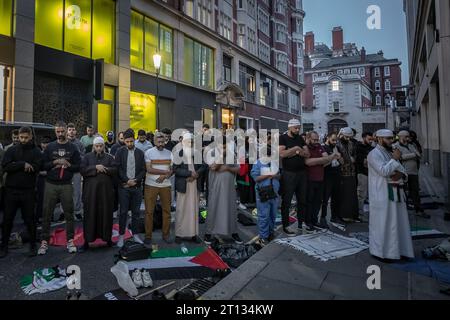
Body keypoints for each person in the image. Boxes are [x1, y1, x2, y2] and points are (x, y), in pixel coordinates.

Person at [367, 129, 414, 261]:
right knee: (384, 223)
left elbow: (402, 171)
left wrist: (401, 174)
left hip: (396, 191)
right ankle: (381, 252)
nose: (391, 141)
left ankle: (399, 250)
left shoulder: (390, 152)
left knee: (398, 222)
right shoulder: (373, 154)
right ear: (380, 139)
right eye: (388, 138)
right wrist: (394, 160)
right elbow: (383, 171)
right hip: (382, 193)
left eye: (392, 138)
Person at [38, 121, 81, 255]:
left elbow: (78, 166)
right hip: (51, 184)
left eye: (63, 131)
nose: (60, 134)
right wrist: (55, 162)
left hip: (66, 184)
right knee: (47, 214)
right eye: (58, 131)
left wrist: (68, 164)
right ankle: (44, 241)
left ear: (66, 131)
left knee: (69, 213)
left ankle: (70, 240)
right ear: (55, 132)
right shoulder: (50, 147)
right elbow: (43, 165)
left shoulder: (73, 147)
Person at [0, 127, 43, 258]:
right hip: (11, 191)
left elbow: (37, 167)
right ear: (18, 137)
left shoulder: (36, 151)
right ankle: (4, 247)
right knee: (7, 220)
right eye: (21, 137)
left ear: (30, 137)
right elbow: (6, 166)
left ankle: (32, 246)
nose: (23, 140)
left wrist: (21, 165)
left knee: (29, 220)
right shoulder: (12, 150)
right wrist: (22, 164)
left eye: (26, 137)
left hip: (28, 191)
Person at [80, 137, 117, 251]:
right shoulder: (87, 157)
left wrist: (104, 168)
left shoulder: (109, 157)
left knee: (106, 215)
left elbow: (115, 169)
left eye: (101, 146)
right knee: (90, 215)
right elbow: (82, 170)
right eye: (97, 146)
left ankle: (108, 239)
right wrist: (95, 167)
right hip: (91, 193)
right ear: (93, 146)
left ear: (104, 146)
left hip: (105, 193)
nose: (99, 148)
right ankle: (87, 241)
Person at [204, 140, 243, 245]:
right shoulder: (211, 153)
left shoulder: (231, 154)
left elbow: (239, 170)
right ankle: (208, 234)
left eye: (226, 147)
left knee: (231, 209)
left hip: (229, 188)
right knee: (214, 208)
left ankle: (233, 232)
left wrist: (228, 168)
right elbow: (213, 167)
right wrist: (221, 155)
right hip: (216, 187)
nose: (225, 149)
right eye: (223, 147)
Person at [173, 133, 207, 244]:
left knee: (193, 210)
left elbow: (203, 166)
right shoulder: (179, 154)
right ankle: (179, 234)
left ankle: (193, 234)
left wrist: (196, 174)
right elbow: (176, 169)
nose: (190, 143)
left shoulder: (196, 153)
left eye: (191, 142)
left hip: (194, 184)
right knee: (181, 209)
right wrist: (189, 173)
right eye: (188, 141)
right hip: (183, 185)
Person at [115, 129, 146, 247]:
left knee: (136, 213)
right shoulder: (119, 152)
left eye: (131, 141)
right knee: (123, 212)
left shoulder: (140, 153)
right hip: (124, 187)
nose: (129, 144)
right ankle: (121, 236)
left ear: (135, 140)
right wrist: (127, 181)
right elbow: (118, 169)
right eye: (127, 141)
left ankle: (136, 235)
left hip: (137, 187)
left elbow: (143, 170)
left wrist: (135, 181)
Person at [279, 119, 310, 236]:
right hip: (289, 173)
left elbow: (307, 154)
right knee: (286, 201)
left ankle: (301, 223)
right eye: (296, 128)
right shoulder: (283, 138)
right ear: (289, 127)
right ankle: (286, 225)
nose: (298, 130)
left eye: (299, 128)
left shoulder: (300, 138)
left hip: (302, 173)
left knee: (302, 200)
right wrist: (297, 149)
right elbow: (282, 154)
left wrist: (293, 151)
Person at [305, 132, 340, 230]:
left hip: (320, 179)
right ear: (308, 138)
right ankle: (308, 222)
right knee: (309, 202)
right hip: (310, 179)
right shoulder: (306, 147)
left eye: (317, 140)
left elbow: (326, 160)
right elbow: (308, 162)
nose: (316, 142)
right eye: (314, 140)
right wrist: (326, 159)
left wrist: (320, 160)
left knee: (317, 202)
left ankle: (314, 220)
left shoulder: (319, 146)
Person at [144, 133, 173, 244]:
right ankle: (148, 236)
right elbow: (149, 169)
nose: (161, 144)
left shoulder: (170, 153)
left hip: (166, 185)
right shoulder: (148, 153)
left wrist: (165, 176)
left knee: (167, 211)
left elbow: (171, 169)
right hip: (151, 185)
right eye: (158, 142)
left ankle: (166, 235)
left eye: (162, 142)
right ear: (154, 141)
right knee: (149, 212)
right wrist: (164, 172)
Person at [394, 131, 430, 219]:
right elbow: (399, 157)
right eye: (406, 136)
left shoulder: (411, 145)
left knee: (415, 192)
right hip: (403, 173)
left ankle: (418, 210)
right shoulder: (395, 146)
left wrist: (412, 155)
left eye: (408, 136)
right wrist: (413, 155)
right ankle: (402, 212)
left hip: (414, 172)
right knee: (402, 192)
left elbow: (419, 155)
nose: (408, 138)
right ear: (401, 137)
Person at [251, 146, 280, 246]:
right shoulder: (257, 163)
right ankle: (263, 236)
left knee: (273, 214)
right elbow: (256, 178)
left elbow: (279, 176)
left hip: (274, 192)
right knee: (263, 215)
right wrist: (268, 174)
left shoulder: (274, 162)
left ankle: (270, 233)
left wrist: (275, 175)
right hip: (263, 192)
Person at [336, 127, 359, 223]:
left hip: (352, 172)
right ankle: (344, 215)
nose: (348, 139)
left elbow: (355, 154)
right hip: (341, 173)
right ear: (341, 135)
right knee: (344, 195)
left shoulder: (351, 143)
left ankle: (352, 215)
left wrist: (353, 158)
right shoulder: (337, 144)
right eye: (346, 137)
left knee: (352, 194)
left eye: (350, 137)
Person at [322, 133, 344, 224]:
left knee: (337, 197)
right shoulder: (323, 147)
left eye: (336, 140)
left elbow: (342, 162)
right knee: (325, 198)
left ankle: (335, 216)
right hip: (327, 175)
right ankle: (323, 218)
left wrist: (339, 157)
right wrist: (332, 156)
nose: (335, 142)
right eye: (333, 140)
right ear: (328, 138)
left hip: (337, 174)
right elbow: (324, 163)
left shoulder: (337, 148)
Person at [67, 123, 85, 221]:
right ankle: (64, 211)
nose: (72, 131)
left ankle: (77, 211)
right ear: (67, 131)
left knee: (77, 192)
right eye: (70, 130)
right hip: (65, 171)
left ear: (76, 131)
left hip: (77, 171)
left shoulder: (80, 143)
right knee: (65, 192)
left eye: (73, 129)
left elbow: (83, 157)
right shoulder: (63, 142)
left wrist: (76, 156)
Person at [355, 132, 374, 220]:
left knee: (372, 195)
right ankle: (359, 214)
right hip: (362, 173)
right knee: (361, 195)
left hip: (372, 174)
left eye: (371, 139)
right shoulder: (358, 147)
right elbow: (364, 162)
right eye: (369, 139)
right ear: (363, 138)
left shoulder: (372, 148)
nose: (370, 141)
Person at [35, 136, 52, 223]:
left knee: (51, 199)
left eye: (46, 143)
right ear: (41, 144)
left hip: (51, 179)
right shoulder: (38, 154)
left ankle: (50, 217)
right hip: (41, 179)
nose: (45, 145)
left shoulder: (52, 154)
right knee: (41, 199)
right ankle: (39, 216)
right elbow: (35, 167)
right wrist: (41, 173)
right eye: (43, 143)